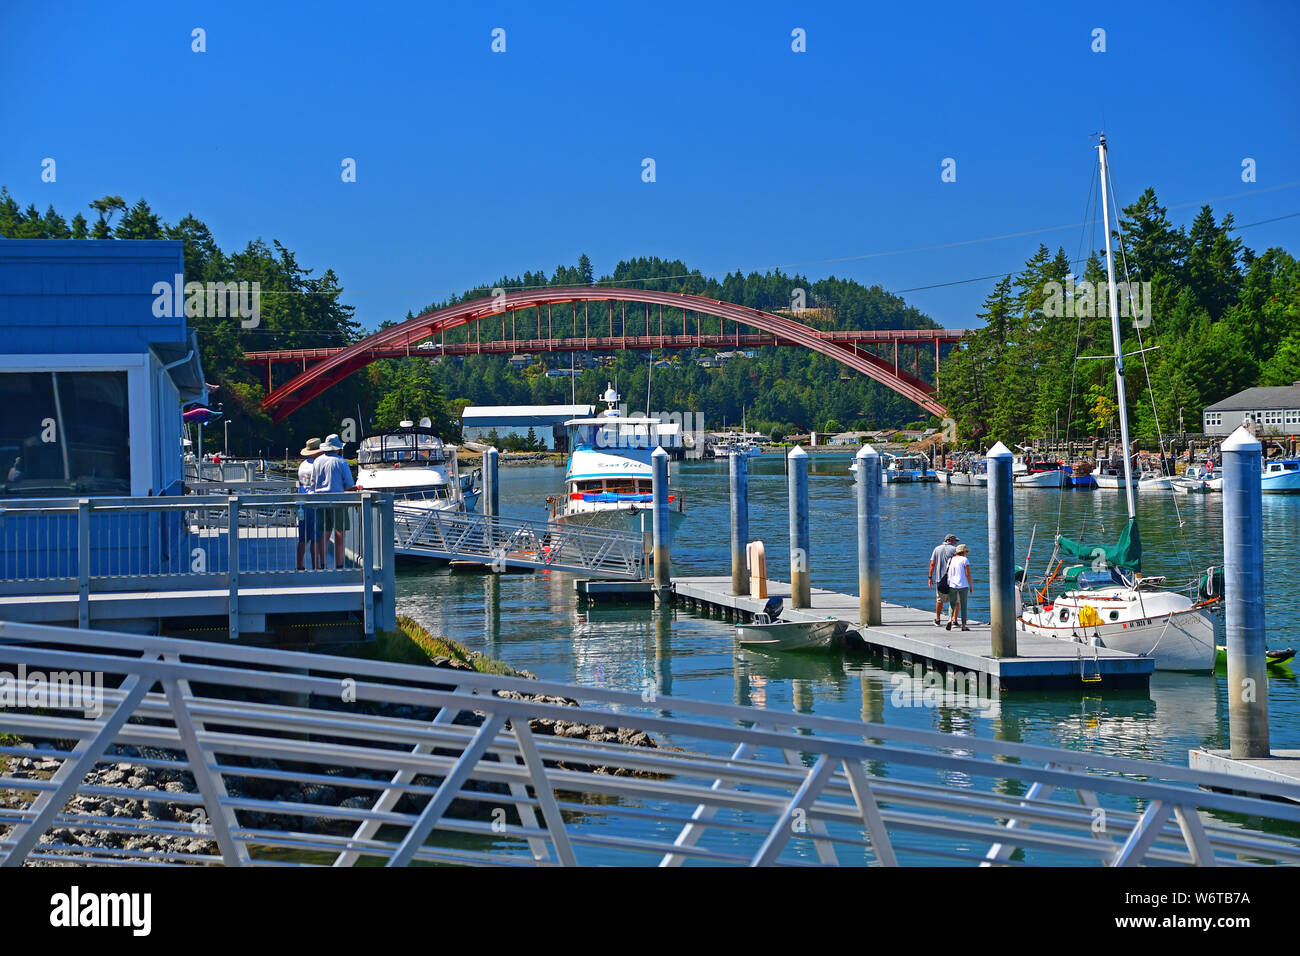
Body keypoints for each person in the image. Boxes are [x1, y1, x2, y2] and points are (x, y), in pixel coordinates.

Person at [313, 433, 356, 569]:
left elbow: (314, 482)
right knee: (339, 534)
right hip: (338, 501)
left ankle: (323, 565)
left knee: (324, 534)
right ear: (336, 448)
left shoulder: (317, 461)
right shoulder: (341, 461)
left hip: (321, 501)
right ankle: (339, 565)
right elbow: (349, 484)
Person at [296, 438, 322, 570]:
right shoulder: (316, 465)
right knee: (315, 538)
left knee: (303, 538)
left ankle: (299, 565)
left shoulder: (303, 465)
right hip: (314, 503)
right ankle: (315, 566)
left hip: (302, 503)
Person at [928, 533, 959, 626]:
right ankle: (954, 620)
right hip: (954, 579)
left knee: (939, 600)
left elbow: (932, 564)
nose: (956, 542)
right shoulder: (955, 550)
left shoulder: (937, 549)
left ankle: (938, 619)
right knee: (956, 601)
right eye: (955, 541)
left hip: (940, 579)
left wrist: (930, 577)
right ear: (949, 540)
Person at [946, 543, 973, 632]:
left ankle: (950, 619)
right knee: (964, 605)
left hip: (952, 585)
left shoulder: (951, 559)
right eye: (966, 551)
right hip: (963, 585)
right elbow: (967, 574)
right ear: (963, 552)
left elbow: (947, 572)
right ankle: (964, 626)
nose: (967, 553)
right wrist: (971, 586)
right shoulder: (965, 560)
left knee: (952, 603)